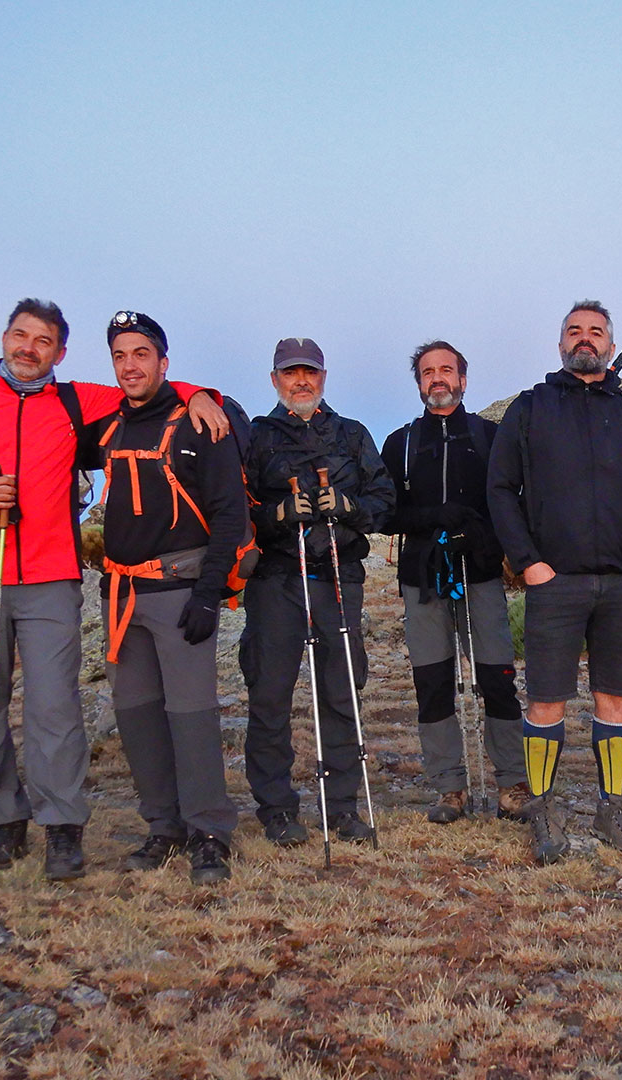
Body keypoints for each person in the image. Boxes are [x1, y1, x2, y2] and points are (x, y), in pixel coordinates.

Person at [0, 299, 229, 881]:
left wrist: (203, 393)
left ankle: (62, 826)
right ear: (4, 338)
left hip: (51, 575)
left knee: (55, 707)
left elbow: (147, 385)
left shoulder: (76, 401)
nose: (29, 348)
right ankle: (2, 818)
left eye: (43, 340)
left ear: (61, 351)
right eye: (20, 335)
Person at [487, 300, 622, 864]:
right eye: (575, 331)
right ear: (560, 343)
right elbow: (500, 490)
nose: (585, 339)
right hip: (554, 581)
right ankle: (542, 810)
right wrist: (529, 563)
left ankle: (610, 806)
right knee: (546, 699)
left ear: (611, 347)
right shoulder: (530, 408)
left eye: (596, 332)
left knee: (614, 698)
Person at [87, 311, 246, 885]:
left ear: (163, 362)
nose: (131, 365)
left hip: (180, 592)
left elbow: (230, 513)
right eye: (120, 356)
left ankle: (209, 831)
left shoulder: (201, 425)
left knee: (192, 718)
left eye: (142, 354)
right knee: (138, 719)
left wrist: (209, 595)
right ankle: (163, 825)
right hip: (121, 596)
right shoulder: (106, 427)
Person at [242, 338, 394, 848]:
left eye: (310, 372)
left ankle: (343, 805)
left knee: (341, 690)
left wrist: (348, 506)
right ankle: (277, 808)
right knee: (269, 695)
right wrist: (276, 515)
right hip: (275, 582)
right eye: (290, 373)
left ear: (324, 377)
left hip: (337, 578)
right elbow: (237, 508)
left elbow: (384, 500)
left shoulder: (352, 435)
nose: (301, 381)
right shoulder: (257, 438)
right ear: (275, 380)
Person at [381, 341, 532, 823]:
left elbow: (511, 501)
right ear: (419, 382)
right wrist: (435, 518)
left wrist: (482, 536)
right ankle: (449, 787)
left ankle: (512, 782)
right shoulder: (399, 444)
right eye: (428, 372)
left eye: (447, 370)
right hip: (423, 578)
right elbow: (385, 514)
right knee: (432, 683)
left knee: (497, 678)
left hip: (481, 574)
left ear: (463, 379)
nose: (438, 379)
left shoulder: (490, 436)